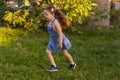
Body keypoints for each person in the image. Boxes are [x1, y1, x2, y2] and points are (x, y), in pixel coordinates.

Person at [44, 5, 76, 72]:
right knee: (48, 51)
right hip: (53, 40)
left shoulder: (55, 23)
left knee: (65, 53)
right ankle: (53, 66)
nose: (45, 16)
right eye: (44, 14)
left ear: (52, 14)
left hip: (60, 39)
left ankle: (72, 63)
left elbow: (60, 33)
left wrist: (60, 42)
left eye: (46, 14)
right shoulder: (49, 21)